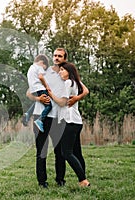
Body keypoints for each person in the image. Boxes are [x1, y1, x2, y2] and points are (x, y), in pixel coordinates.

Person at [26, 48, 89, 188]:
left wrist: (76, 98)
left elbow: (85, 90)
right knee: (41, 151)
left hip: (58, 118)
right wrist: (38, 98)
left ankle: (60, 180)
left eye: (60, 56)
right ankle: (42, 182)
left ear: (65, 59)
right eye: (54, 55)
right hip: (40, 116)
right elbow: (28, 93)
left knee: (60, 152)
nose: (56, 58)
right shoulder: (44, 72)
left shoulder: (66, 75)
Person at [49, 62, 90, 187]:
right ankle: (83, 178)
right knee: (76, 152)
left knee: (66, 152)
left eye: (62, 70)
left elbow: (62, 102)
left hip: (69, 121)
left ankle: (83, 180)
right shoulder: (75, 82)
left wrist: (50, 93)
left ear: (69, 71)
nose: (60, 72)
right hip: (76, 122)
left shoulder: (68, 83)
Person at [23, 54, 52, 133]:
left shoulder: (30, 68)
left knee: (37, 102)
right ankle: (40, 120)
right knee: (49, 106)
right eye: (44, 68)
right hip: (40, 88)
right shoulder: (39, 67)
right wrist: (46, 86)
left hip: (33, 89)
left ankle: (28, 113)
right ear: (42, 63)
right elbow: (41, 77)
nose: (44, 70)